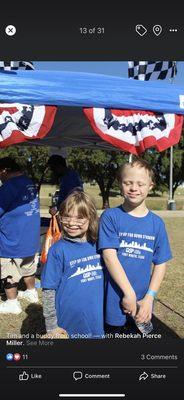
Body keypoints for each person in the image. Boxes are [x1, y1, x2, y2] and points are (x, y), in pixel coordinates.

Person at [98, 158, 172, 334]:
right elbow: (109, 257)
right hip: (114, 299)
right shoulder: (110, 217)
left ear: (150, 186)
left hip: (143, 302)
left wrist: (150, 297)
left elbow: (160, 263)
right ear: (120, 184)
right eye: (128, 183)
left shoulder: (157, 223)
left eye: (140, 184)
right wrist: (128, 293)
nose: (134, 188)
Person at [41, 190, 104, 339]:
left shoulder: (100, 245)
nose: (71, 222)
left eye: (80, 218)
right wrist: (51, 326)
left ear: (91, 218)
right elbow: (48, 290)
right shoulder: (58, 250)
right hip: (69, 321)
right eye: (67, 216)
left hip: (98, 319)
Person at [0, 157, 40, 314]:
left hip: (12, 242)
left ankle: (12, 303)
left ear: (4, 171)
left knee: (9, 272)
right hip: (30, 240)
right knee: (28, 268)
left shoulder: (8, 187)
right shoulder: (28, 182)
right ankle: (31, 292)